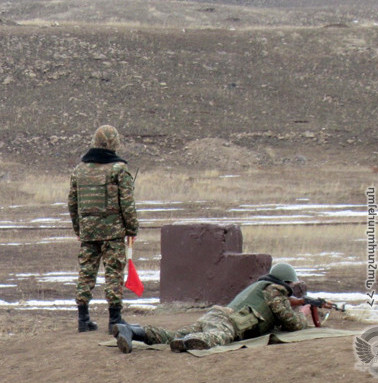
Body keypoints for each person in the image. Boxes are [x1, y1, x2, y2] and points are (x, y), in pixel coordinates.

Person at [113, 263, 312, 353]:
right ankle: (188, 342)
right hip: (230, 323)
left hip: (215, 315)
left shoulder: (260, 287)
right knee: (218, 338)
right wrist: (303, 312)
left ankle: (134, 330)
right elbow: (293, 324)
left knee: (172, 334)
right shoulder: (276, 291)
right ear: (286, 282)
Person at [68, 125, 139, 333]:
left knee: (86, 272)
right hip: (113, 232)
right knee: (113, 273)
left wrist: (79, 229)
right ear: (114, 143)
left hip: (89, 231)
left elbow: (72, 203)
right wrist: (132, 228)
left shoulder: (80, 170)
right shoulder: (119, 169)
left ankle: (83, 319)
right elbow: (127, 203)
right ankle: (115, 320)